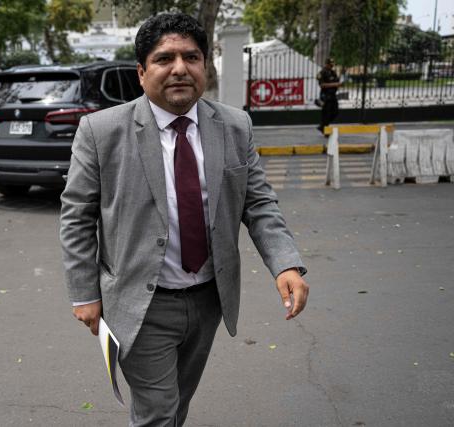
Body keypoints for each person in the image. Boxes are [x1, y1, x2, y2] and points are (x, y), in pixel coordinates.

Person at [60, 13, 309, 426]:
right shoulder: (101, 131)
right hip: (141, 302)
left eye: (191, 57)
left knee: (176, 405)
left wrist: (285, 262)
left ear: (205, 67)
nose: (179, 68)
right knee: (157, 411)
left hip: (208, 299)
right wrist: (83, 293)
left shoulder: (234, 125)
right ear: (142, 72)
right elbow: (76, 216)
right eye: (164, 59)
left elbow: (259, 202)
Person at [317, 57, 341, 134]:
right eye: (330, 65)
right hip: (325, 95)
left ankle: (322, 126)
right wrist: (334, 84)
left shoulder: (333, 72)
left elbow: (337, 81)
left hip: (333, 95)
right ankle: (324, 128)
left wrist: (338, 85)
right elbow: (322, 85)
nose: (332, 66)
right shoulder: (322, 73)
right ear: (326, 64)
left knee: (335, 112)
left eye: (332, 65)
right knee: (326, 113)